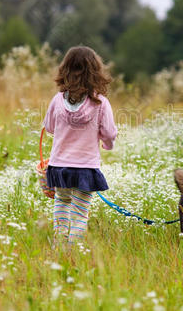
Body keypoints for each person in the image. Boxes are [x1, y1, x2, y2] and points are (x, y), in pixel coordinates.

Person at [43, 46, 117, 246]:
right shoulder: (100, 103)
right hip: (85, 168)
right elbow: (109, 133)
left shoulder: (57, 100)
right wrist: (107, 144)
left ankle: (59, 246)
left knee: (62, 203)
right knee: (79, 214)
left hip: (59, 167)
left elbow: (49, 127)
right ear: (95, 72)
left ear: (65, 70)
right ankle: (74, 252)